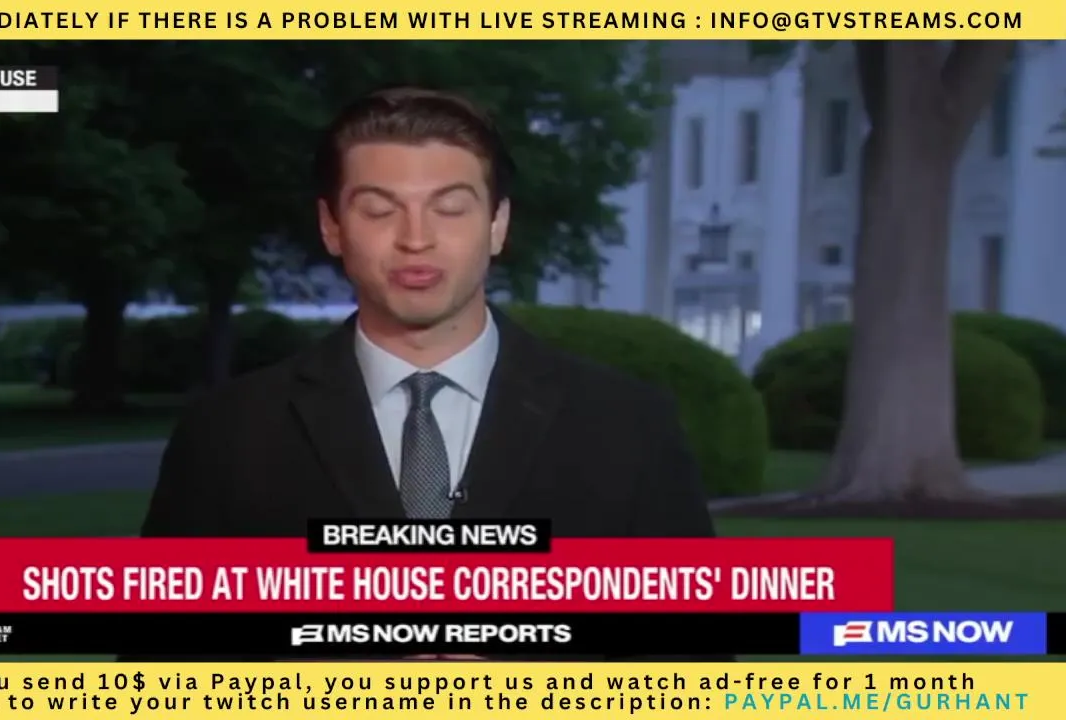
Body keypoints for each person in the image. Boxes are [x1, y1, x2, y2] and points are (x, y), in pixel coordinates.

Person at [124, 87, 719, 662]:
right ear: (332, 227)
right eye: (379, 210)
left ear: (498, 224)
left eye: (450, 208)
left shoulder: (628, 427)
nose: (416, 239)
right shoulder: (228, 433)